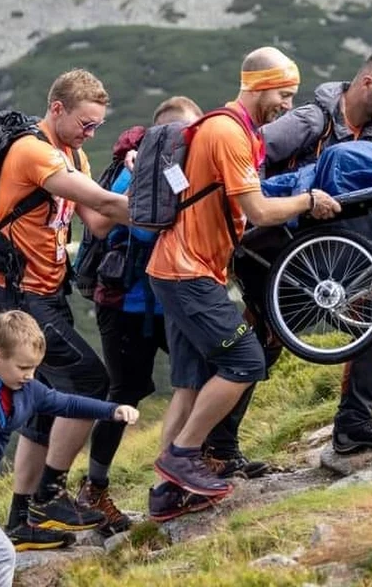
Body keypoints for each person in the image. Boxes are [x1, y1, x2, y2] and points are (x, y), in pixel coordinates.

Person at [145, 47, 341, 519]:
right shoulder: (228, 132)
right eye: (283, 94)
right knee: (246, 359)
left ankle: (165, 494)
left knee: (191, 384)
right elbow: (258, 212)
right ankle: (184, 454)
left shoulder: (234, 129)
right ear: (258, 85)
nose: (287, 106)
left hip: (179, 268)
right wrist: (307, 199)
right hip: (186, 271)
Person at [0, 69, 131, 548]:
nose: (91, 133)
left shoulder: (74, 154)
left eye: (98, 127)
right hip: (16, 293)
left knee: (44, 401)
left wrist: (136, 177)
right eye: (85, 123)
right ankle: (49, 495)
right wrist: (165, 206)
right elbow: (105, 201)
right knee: (90, 381)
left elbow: (98, 224)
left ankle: (22, 520)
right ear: (58, 108)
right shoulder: (32, 151)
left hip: (47, 291)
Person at [0, 252, 138, 587]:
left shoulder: (29, 391)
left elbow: (68, 403)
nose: (30, 375)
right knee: (1, 555)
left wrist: (112, 410)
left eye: (34, 367)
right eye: (23, 367)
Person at [258, 49, 372, 455]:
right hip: (278, 248)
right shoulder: (311, 120)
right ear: (367, 83)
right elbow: (248, 159)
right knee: (260, 344)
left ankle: (354, 424)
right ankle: (216, 448)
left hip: (331, 258)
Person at [76, 96, 203, 532]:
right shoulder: (136, 167)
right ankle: (94, 490)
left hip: (168, 298)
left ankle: (204, 462)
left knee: (207, 371)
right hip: (125, 303)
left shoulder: (183, 167)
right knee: (124, 394)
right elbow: (102, 222)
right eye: (185, 132)